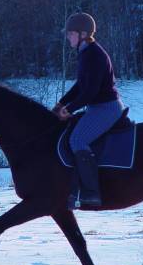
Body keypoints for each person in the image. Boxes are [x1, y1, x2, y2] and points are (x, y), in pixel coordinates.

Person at [52, 12, 125, 208]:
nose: (68, 37)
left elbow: (90, 91)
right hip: (97, 107)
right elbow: (80, 85)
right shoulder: (85, 52)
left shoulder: (94, 54)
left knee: (78, 140)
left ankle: (91, 193)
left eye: (71, 34)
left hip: (106, 108)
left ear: (83, 34)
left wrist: (70, 109)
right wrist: (62, 103)